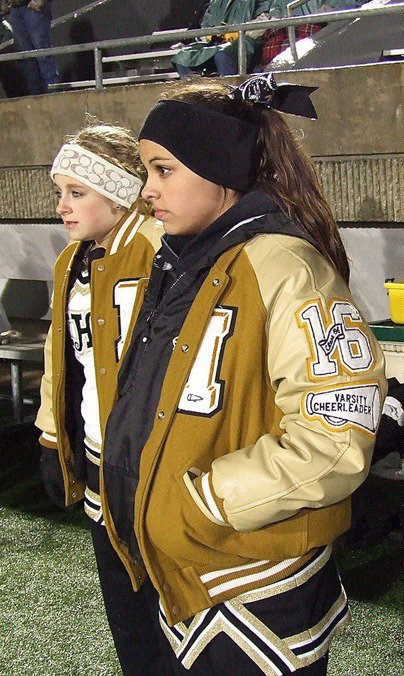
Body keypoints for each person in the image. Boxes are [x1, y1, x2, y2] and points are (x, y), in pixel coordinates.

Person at [97, 74, 386, 674]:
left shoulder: (286, 268)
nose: (146, 191)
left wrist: (200, 503)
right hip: (180, 573)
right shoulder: (187, 258)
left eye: (163, 170)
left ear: (221, 170)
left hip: (250, 589)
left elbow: (335, 440)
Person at [34, 124, 165, 667]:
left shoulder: (161, 251)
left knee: (171, 615)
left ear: (116, 191)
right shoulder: (72, 260)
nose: (62, 206)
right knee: (127, 616)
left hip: (153, 461)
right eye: (59, 192)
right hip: (97, 460)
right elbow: (59, 361)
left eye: (77, 192)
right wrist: (48, 432)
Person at [173, 0, 281, 77]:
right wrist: (208, 35)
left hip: (247, 41)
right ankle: (195, 90)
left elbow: (265, 19)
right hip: (216, 42)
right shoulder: (216, 2)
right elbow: (206, 22)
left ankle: (229, 91)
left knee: (222, 54)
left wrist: (239, 34)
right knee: (183, 57)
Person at [2, 0, 58, 94]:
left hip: (33, 6)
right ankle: (35, 100)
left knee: (43, 54)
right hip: (15, 8)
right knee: (26, 59)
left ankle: (53, 95)